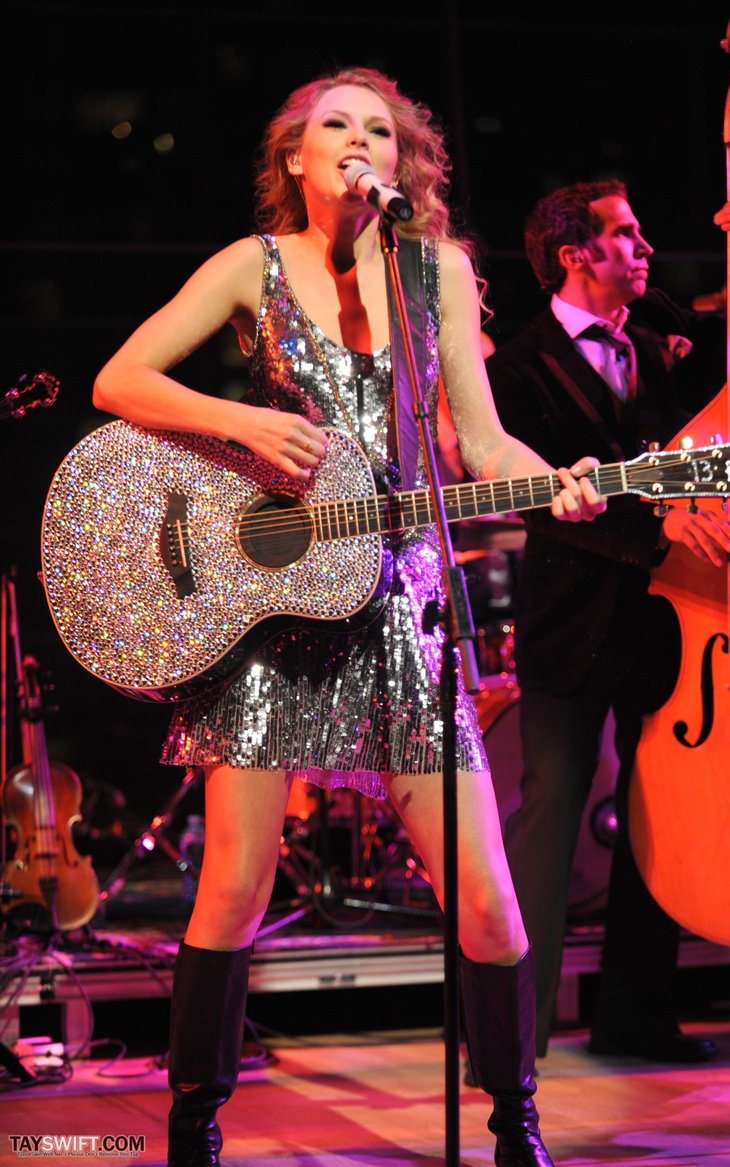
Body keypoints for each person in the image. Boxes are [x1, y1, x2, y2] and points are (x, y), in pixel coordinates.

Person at [92, 69, 607, 1167]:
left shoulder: (437, 274)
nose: (360, 139)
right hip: (276, 605)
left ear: (403, 164)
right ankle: (194, 1125)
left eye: (381, 129)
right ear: (294, 157)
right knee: (233, 883)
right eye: (337, 124)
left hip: (400, 600)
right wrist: (240, 422)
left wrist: (552, 476)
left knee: (483, 896)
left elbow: (478, 441)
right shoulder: (252, 265)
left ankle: (513, 1123)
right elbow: (120, 378)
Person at [485, 179, 730, 1064]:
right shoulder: (515, 369)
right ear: (575, 254)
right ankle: (513, 1032)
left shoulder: (662, 331)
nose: (645, 246)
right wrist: (660, 525)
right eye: (625, 234)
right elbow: (552, 502)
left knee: (660, 817)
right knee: (549, 816)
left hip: (678, 628)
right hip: (575, 623)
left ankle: (635, 1015)